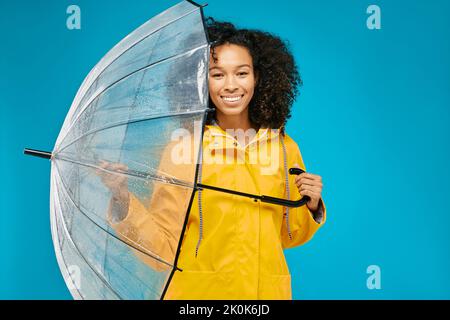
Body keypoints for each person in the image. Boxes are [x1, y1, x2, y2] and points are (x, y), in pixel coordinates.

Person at [98, 18, 326, 300]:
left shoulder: (282, 147)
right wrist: (122, 196)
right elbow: (162, 250)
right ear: (200, 81)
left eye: (241, 73)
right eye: (217, 74)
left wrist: (311, 203)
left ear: (258, 78)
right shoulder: (185, 149)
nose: (230, 85)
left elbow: (289, 236)